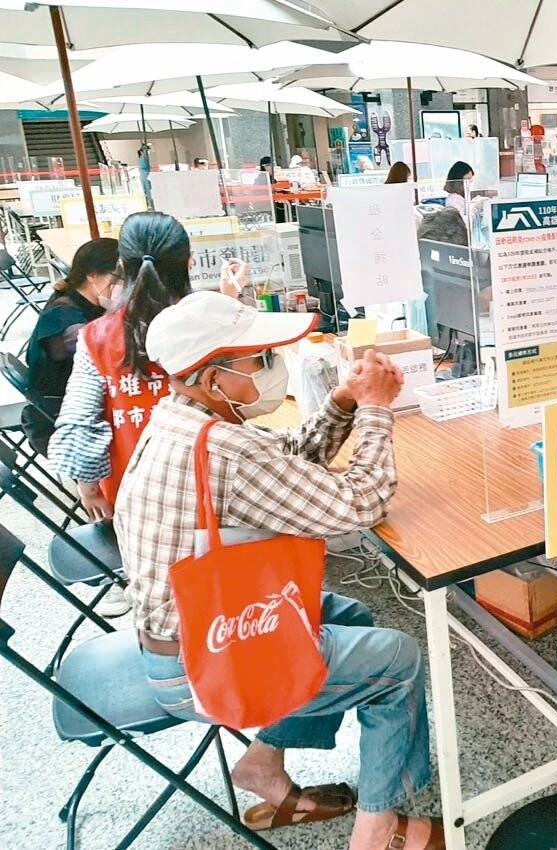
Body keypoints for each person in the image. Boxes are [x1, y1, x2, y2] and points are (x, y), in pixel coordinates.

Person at [117, 291, 442, 849]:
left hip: (185, 637)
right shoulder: (226, 449)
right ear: (209, 376)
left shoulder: (181, 419)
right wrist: (376, 411)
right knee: (399, 660)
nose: (274, 368)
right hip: (203, 668)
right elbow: (361, 502)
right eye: (260, 359)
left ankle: (264, 763)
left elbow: (285, 462)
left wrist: (342, 402)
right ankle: (378, 827)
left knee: (351, 612)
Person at [48, 212, 247, 521]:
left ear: (121, 267)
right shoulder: (210, 323)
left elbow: (80, 420)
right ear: (189, 262)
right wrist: (229, 300)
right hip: (217, 488)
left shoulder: (97, 336)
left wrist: (89, 489)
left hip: (135, 498)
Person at [22, 238, 118, 454]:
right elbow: (105, 357)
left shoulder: (73, 301)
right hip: (59, 423)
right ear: (92, 275)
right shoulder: (68, 320)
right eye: (119, 278)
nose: (125, 286)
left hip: (62, 409)